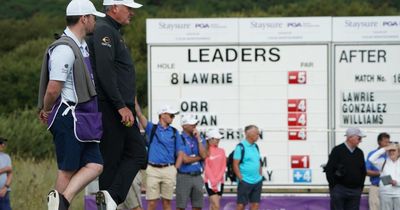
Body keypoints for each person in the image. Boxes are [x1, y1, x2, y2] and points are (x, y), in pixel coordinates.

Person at [37, 1, 105, 209]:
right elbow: (53, 89)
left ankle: (61, 202)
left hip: (83, 117)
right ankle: (59, 205)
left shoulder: (81, 45)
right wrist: (46, 109)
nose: (95, 21)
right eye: (93, 17)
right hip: (70, 117)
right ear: (84, 18)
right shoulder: (64, 49)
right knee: (67, 171)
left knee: (95, 165)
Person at [86, 0, 147, 209]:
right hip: (113, 106)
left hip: (120, 106)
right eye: (129, 8)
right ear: (114, 7)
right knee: (118, 158)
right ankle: (109, 197)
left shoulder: (112, 31)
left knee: (135, 154)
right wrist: (121, 105)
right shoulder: (104, 29)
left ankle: (110, 196)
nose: (132, 13)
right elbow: (105, 71)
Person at [135, 101, 180, 210]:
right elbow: (139, 114)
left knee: (167, 203)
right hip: (153, 170)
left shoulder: (174, 132)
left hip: (169, 169)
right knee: (151, 203)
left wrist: (175, 169)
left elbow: (180, 153)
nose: (173, 117)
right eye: (171, 115)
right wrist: (134, 99)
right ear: (163, 115)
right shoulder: (152, 128)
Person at [325, 127, 367, 210]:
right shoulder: (337, 150)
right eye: (359, 138)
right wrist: (334, 187)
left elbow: (363, 171)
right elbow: (329, 169)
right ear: (350, 137)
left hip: (355, 191)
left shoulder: (359, 152)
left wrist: (360, 187)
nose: (360, 140)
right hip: (339, 190)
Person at [175, 114, 207, 210]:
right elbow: (185, 159)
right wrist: (199, 157)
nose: (195, 125)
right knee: (181, 206)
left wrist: (198, 140)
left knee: (197, 206)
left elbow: (204, 155)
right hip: (184, 175)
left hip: (197, 176)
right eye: (192, 123)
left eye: (195, 123)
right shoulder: (179, 138)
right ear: (184, 125)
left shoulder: (199, 138)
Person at [233, 125, 263, 210]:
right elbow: (235, 164)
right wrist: (241, 178)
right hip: (245, 181)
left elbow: (259, 161)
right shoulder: (240, 147)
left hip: (257, 181)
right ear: (248, 133)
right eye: (256, 133)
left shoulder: (256, 146)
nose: (258, 135)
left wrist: (260, 175)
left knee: (255, 205)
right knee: (241, 205)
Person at [369, 143, 400, 210]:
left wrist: (397, 183)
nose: (391, 152)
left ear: (399, 152)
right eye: (390, 150)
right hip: (385, 193)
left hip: (398, 193)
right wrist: (385, 149)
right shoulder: (383, 161)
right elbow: (371, 159)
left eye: (394, 150)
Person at [365, 132, 390, 210]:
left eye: (388, 142)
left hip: (388, 188)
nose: (387, 144)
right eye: (385, 142)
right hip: (376, 187)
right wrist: (381, 173)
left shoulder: (391, 155)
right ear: (379, 142)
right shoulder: (372, 154)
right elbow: (366, 171)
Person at [204, 128, 226, 210]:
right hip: (209, 181)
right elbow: (206, 167)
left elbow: (223, 166)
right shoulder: (206, 151)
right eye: (216, 138)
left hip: (220, 181)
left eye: (218, 138)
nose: (218, 140)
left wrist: (218, 179)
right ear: (210, 139)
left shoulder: (222, 151)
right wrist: (213, 181)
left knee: (213, 206)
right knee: (216, 206)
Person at [0, 137, 12, 210]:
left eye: (3, 143)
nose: (3, 145)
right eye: (1, 143)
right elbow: (8, 169)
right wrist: (5, 169)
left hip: (4, 193)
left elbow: (10, 174)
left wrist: (5, 188)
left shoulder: (6, 157)